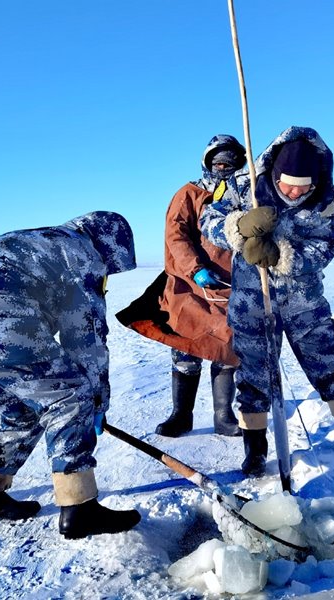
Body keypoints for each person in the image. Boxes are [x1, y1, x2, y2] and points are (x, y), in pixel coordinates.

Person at [0, 211, 142, 539]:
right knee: (73, 394)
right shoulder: (82, 252)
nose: (107, 273)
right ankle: (79, 509)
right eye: (112, 266)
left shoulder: (42, 239)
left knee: (23, 412)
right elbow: (86, 337)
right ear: (109, 247)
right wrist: (96, 400)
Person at [200, 126, 334, 477]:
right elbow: (207, 220)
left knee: (329, 363)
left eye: (304, 188)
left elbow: (327, 244)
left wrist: (284, 257)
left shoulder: (327, 197)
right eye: (288, 186)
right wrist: (237, 227)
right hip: (251, 304)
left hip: (305, 303)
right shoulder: (244, 185)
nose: (296, 193)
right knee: (254, 376)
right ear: (274, 174)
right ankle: (255, 450)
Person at [117, 135, 246, 438]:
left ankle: (223, 415)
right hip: (188, 287)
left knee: (226, 349)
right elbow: (176, 237)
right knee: (185, 348)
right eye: (219, 163)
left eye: (231, 164)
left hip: (229, 288)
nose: (224, 169)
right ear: (208, 163)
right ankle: (181, 415)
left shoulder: (244, 196)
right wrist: (195, 269)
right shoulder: (189, 194)